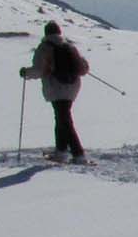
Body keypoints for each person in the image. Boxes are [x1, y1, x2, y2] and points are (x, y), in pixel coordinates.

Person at [18, 21, 90, 164]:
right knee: (61, 118)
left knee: (64, 120)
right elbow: (84, 68)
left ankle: (78, 154)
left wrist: (25, 72)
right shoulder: (69, 46)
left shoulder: (44, 48)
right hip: (72, 87)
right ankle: (61, 151)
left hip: (56, 87)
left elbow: (39, 70)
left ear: (46, 33)